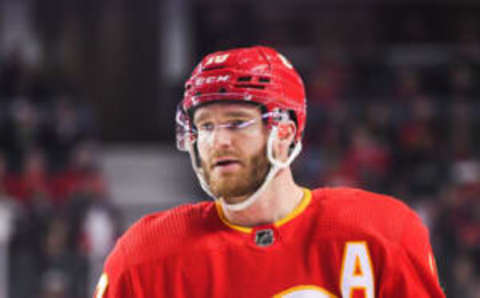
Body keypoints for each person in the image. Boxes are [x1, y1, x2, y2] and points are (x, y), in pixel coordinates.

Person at [94, 46, 446, 297]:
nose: (217, 141)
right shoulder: (146, 256)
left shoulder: (379, 234)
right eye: (205, 126)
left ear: (285, 132)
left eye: (236, 123)